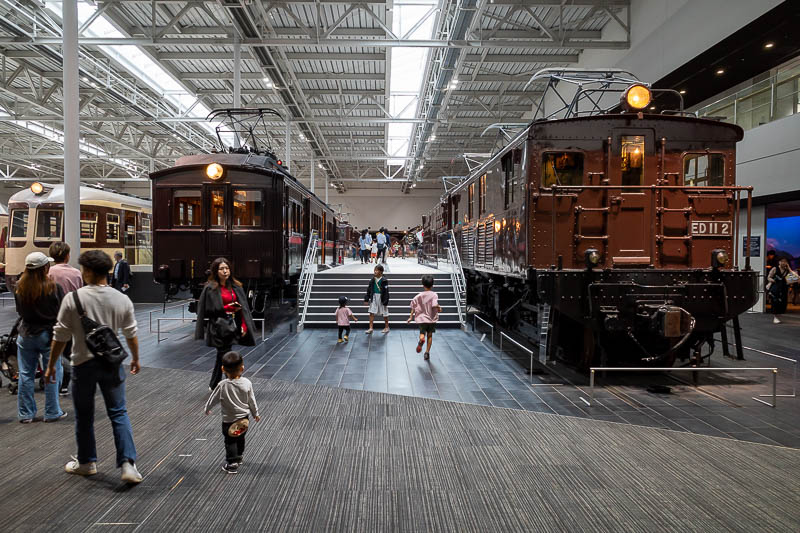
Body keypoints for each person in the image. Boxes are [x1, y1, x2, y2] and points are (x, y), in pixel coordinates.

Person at [45, 250, 143, 484]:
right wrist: (136, 358)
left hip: (82, 363)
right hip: (112, 363)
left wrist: (51, 366)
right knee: (119, 412)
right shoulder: (121, 299)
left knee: (84, 415)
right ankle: (128, 464)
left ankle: (87, 462)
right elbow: (131, 334)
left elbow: (60, 336)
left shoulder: (73, 298)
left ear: (88, 271)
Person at [15, 251, 66, 423]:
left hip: (26, 334)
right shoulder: (53, 287)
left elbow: (20, 312)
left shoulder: (19, 287)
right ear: (45, 267)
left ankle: (26, 414)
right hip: (48, 335)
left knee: (25, 374)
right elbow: (61, 313)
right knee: (51, 373)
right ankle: (52, 412)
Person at [195, 258, 256, 390]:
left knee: (222, 355)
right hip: (218, 327)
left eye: (227, 268)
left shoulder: (236, 286)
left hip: (231, 326)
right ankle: (230, 382)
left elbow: (243, 309)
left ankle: (215, 384)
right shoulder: (210, 288)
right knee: (224, 354)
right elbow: (207, 310)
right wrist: (228, 308)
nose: (225, 271)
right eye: (221, 269)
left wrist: (244, 325)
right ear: (216, 271)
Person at [204, 351, 260, 474]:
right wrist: (255, 413)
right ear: (243, 368)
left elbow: (213, 399)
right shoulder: (247, 383)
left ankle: (232, 463)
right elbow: (252, 400)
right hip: (244, 418)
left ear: (223, 369)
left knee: (230, 441)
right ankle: (239, 456)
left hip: (229, 420)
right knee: (241, 437)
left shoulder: (222, 385)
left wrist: (207, 408)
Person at [48, 242, 83, 396]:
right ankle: (64, 384)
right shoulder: (76, 273)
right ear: (67, 255)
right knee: (69, 351)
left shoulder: (48, 272)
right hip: (71, 316)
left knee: (53, 350)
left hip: (52, 316)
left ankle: (52, 380)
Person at [407, 275, 442, 361]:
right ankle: (427, 353)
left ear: (423, 284)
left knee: (422, 333)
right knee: (430, 335)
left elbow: (413, 306)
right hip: (431, 319)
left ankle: (421, 339)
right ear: (432, 285)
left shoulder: (419, 296)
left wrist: (410, 317)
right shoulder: (434, 295)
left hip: (422, 319)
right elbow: (434, 304)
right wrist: (439, 308)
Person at [766, 258, 798, 324]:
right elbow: (769, 277)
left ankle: (778, 316)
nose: (784, 263)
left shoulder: (787, 270)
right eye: (782, 261)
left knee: (783, 303)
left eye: (785, 261)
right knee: (775, 302)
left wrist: (789, 268)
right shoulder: (775, 268)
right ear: (779, 262)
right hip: (775, 288)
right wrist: (773, 280)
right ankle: (775, 317)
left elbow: (796, 277)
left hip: (784, 288)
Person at [364, 264, 390, 334]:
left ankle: (387, 327)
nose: (375, 271)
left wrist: (386, 300)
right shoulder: (372, 280)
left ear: (381, 272)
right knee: (371, 312)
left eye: (377, 270)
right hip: (374, 297)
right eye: (374, 270)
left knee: (384, 313)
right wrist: (366, 298)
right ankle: (371, 328)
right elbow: (369, 289)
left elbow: (386, 291)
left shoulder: (384, 280)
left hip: (382, 298)